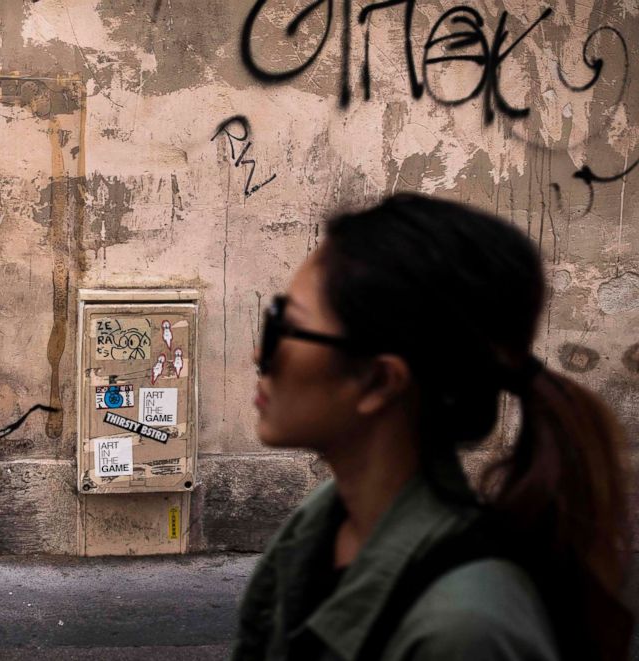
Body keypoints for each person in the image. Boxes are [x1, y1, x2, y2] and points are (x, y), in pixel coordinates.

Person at [232, 193, 633, 660]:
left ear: (379, 381)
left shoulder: (465, 630)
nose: (261, 355)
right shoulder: (323, 519)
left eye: (286, 326)